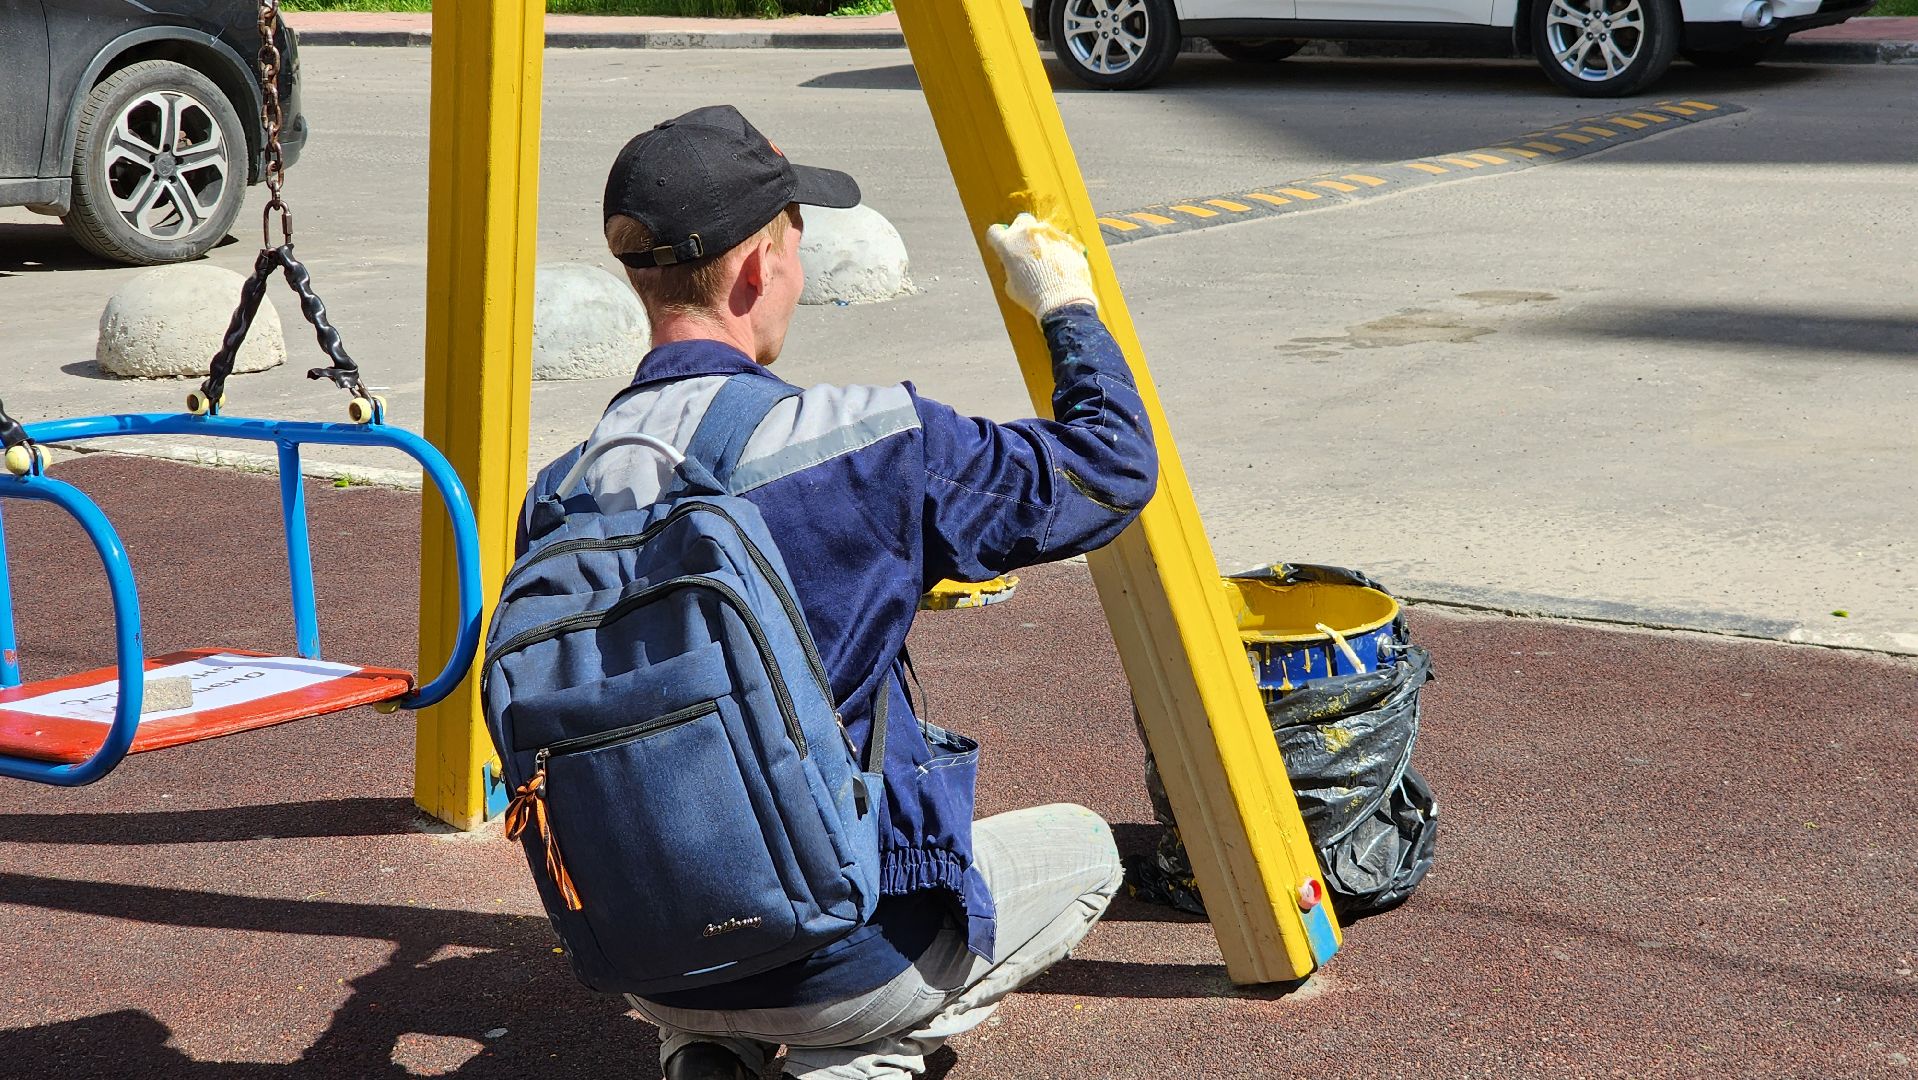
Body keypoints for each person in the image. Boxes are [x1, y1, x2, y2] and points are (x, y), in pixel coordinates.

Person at [523, 104, 1159, 1080]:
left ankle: (701, 1047)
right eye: (793, 243)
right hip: (844, 946)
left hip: (647, 957)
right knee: (1084, 850)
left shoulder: (562, 489)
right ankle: (861, 1055)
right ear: (754, 270)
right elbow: (1108, 468)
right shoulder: (868, 443)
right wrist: (1066, 306)